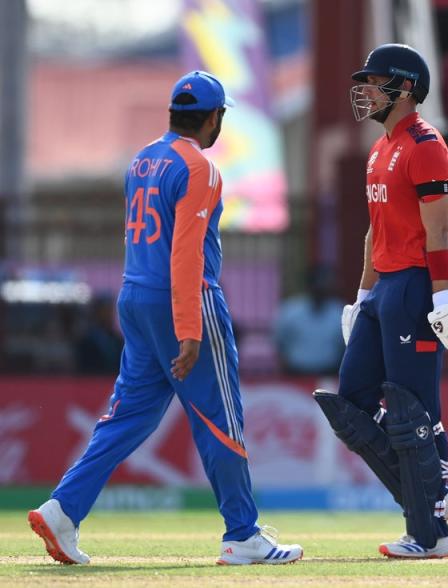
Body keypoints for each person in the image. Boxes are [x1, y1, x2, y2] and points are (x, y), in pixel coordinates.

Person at [27, 71, 302, 565]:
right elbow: (186, 253)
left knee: (126, 418)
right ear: (214, 118)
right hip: (183, 301)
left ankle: (63, 510)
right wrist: (190, 328)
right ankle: (243, 534)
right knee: (221, 420)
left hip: (135, 296)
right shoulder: (201, 168)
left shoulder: (143, 158)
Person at [313, 43, 448, 559]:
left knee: (411, 408)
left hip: (415, 286)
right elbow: (373, 232)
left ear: (405, 88)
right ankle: (432, 496)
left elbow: (439, 228)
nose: (363, 91)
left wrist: (444, 299)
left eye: (374, 82)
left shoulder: (426, 144)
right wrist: (361, 296)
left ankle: (428, 533)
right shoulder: (380, 148)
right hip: (385, 285)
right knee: (350, 402)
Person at [273, 267, 344, 375]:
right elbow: (279, 340)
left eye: (324, 284)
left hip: (330, 373)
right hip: (296, 372)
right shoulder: (291, 310)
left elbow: (344, 345)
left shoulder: (339, 311)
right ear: (309, 285)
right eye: (318, 283)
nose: (320, 288)